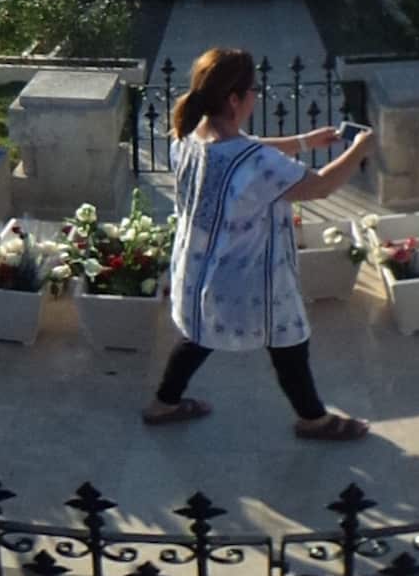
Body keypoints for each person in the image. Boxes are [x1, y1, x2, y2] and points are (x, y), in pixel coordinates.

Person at [141, 46, 378, 438]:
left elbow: (244, 146)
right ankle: (314, 419)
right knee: (287, 338)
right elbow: (319, 187)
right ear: (234, 99)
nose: (256, 96)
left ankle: (163, 404)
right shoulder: (252, 161)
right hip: (251, 273)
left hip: (200, 268)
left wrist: (302, 142)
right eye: (253, 90)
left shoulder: (187, 136)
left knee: (199, 335)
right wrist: (359, 149)